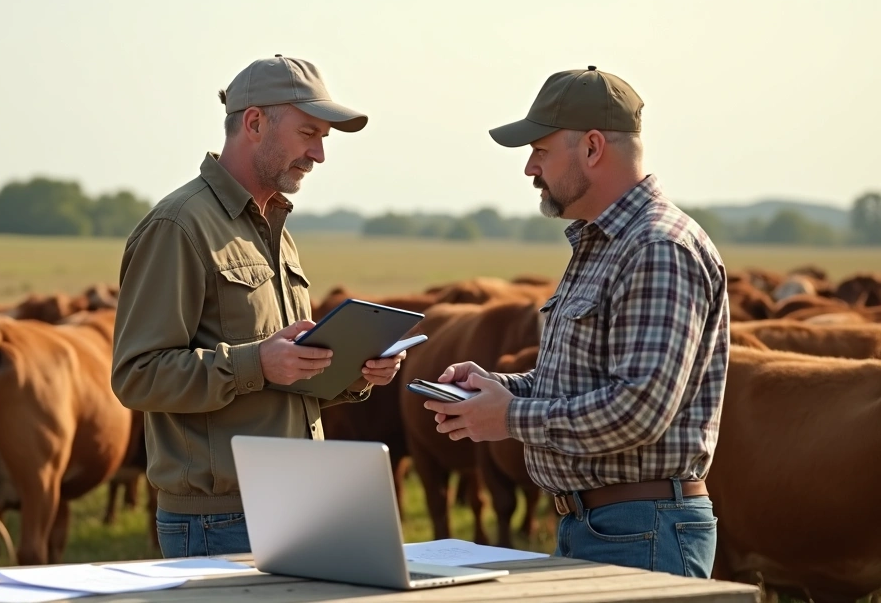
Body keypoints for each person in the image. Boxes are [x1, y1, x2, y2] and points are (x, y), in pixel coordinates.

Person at [422, 66, 729, 578]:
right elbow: (576, 385)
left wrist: (510, 417)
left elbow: (639, 409)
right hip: (609, 524)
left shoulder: (656, 248)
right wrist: (495, 388)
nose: (528, 169)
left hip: (640, 528)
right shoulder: (605, 244)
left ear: (591, 148)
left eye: (539, 151)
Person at [111, 55, 407, 559]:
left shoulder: (276, 232)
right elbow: (137, 375)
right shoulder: (180, 226)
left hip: (297, 503)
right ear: (254, 123)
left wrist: (356, 372)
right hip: (218, 520)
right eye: (307, 133)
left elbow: (282, 381)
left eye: (323, 139)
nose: (318, 154)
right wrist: (257, 362)